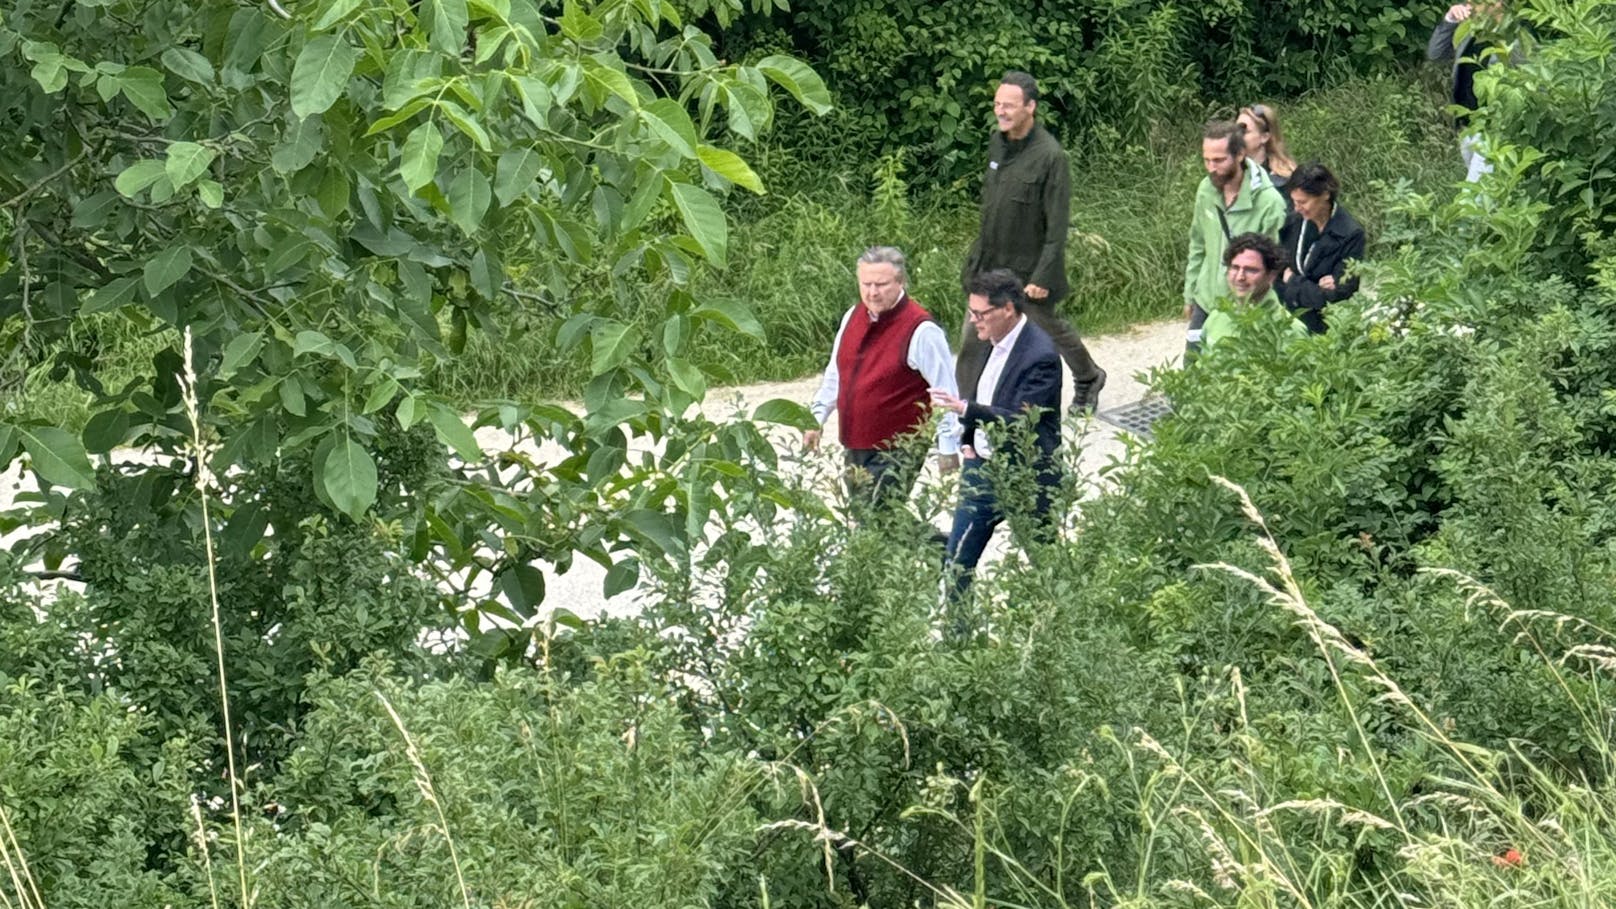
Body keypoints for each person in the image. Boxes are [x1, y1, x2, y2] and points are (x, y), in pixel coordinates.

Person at [960, 70, 1107, 414]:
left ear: (1030, 108)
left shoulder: (1051, 157)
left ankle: (1088, 376)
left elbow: (1057, 226)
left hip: (1028, 270)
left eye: (1009, 106)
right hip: (990, 261)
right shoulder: (997, 142)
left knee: (1047, 327)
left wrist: (1043, 275)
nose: (1001, 112)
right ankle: (963, 407)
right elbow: (990, 207)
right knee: (974, 330)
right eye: (997, 104)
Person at [928, 270, 1062, 602]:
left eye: (980, 313)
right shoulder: (992, 340)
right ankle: (958, 643)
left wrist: (964, 409)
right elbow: (986, 395)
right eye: (971, 312)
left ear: (1007, 309)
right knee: (956, 564)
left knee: (1048, 568)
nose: (973, 321)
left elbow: (1020, 420)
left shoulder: (1041, 356)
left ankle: (1061, 634)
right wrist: (968, 443)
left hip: (1024, 475)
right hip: (981, 471)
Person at [806, 247, 961, 509]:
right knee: (867, 517)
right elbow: (836, 374)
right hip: (855, 440)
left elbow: (945, 391)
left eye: (881, 284)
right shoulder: (851, 317)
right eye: (866, 284)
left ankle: (948, 549)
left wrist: (947, 447)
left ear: (900, 282)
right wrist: (815, 418)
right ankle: (946, 549)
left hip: (900, 446)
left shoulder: (922, 330)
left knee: (875, 517)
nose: (872, 292)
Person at [1183, 119, 1288, 354]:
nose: (1211, 167)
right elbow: (1198, 244)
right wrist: (1190, 294)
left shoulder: (1269, 202)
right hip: (1206, 300)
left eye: (1219, 160)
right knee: (1190, 375)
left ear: (1240, 154)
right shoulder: (1205, 189)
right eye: (1206, 159)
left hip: (1244, 307)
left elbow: (1273, 263)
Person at [1427, 2, 1514, 182]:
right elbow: (1435, 54)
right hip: (1465, 126)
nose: (1471, 4)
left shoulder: (1515, 35)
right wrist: (1450, 19)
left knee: (1473, 200)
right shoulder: (1468, 29)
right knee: (1492, 197)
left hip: (1494, 129)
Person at [1277, 163, 1366, 334]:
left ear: (1325, 194)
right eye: (1294, 201)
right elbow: (1276, 269)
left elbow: (1339, 295)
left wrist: (1292, 280)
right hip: (1286, 320)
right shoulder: (1293, 221)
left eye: (1303, 202)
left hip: (1322, 328)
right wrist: (1313, 288)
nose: (1297, 208)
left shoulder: (1350, 234)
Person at [1200, 233, 1289, 350]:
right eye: (1235, 268)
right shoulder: (1216, 317)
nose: (1240, 277)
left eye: (1251, 270)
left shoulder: (1287, 328)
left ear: (1271, 276)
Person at [1237, 103, 1298, 202]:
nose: (1237, 136)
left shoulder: (1283, 181)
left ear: (1264, 137)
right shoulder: (1231, 176)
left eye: (1244, 131)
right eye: (1235, 130)